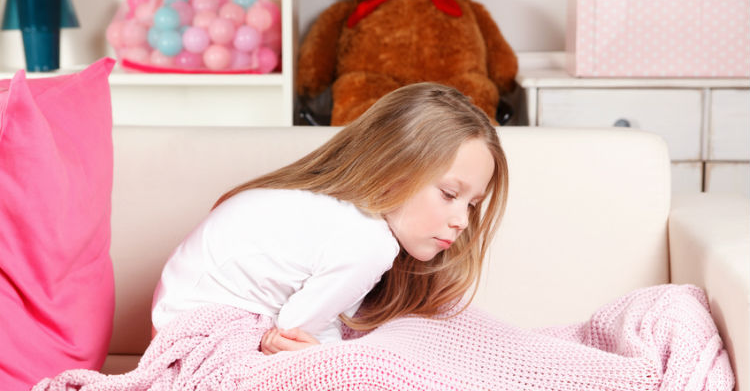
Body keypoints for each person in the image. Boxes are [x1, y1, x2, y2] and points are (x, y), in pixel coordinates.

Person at [150, 82, 509, 355]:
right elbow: (298, 327)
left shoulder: (333, 215)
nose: (462, 221)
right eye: (449, 194)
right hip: (196, 340)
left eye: (472, 204)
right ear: (393, 170)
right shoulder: (371, 241)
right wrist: (330, 358)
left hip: (179, 327)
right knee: (367, 377)